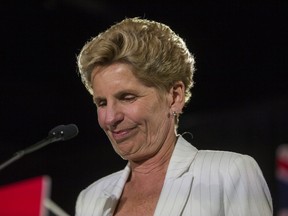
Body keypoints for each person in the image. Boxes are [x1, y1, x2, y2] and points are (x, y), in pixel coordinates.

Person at [75, 17, 273, 216]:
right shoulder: (90, 199)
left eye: (127, 97)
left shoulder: (229, 174)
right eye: (102, 103)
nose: (110, 118)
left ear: (175, 97)